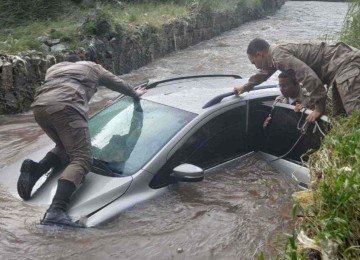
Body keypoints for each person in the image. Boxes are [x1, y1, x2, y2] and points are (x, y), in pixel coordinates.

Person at [17, 52, 147, 227]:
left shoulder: (54, 69)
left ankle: (36, 170)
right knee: (82, 158)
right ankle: (56, 211)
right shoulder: (92, 67)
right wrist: (134, 93)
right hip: (67, 107)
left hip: (39, 108)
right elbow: (116, 83)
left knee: (64, 147)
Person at [235, 38, 360, 122]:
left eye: (254, 62)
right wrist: (245, 87)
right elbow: (264, 74)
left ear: (259, 54)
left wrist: (318, 108)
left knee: (355, 115)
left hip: (346, 63)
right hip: (338, 67)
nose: (255, 66)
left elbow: (308, 77)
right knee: (340, 117)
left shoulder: (279, 56)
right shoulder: (274, 56)